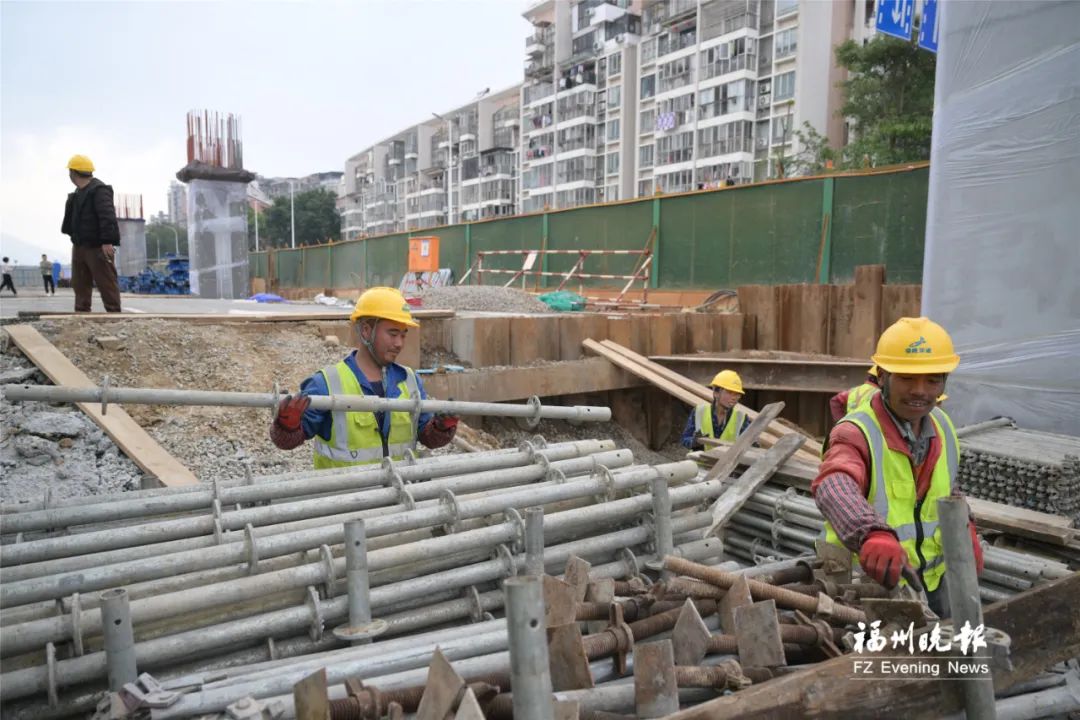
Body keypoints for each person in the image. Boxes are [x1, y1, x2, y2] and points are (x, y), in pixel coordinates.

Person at [812, 317, 983, 617]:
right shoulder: (856, 432)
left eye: (932, 380)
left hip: (933, 581)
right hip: (867, 587)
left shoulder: (942, 425)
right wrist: (871, 533)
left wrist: (964, 526)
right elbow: (834, 485)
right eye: (906, 378)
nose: (920, 390)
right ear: (881, 376)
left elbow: (945, 487)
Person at [269, 286, 458, 466]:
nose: (399, 343)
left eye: (403, 335)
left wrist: (441, 428)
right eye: (392, 334)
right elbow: (287, 442)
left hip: (398, 494)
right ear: (366, 330)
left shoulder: (410, 381)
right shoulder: (327, 383)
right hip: (349, 496)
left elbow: (426, 436)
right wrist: (287, 427)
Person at [60, 154, 121, 312]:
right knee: (79, 283)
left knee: (106, 282)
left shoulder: (99, 190)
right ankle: (81, 313)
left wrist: (107, 241)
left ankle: (114, 313)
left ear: (73, 173)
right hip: (80, 245)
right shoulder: (78, 193)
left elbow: (107, 216)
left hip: (97, 247)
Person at [681, 370, 751, 450]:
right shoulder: (699, 412)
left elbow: (749, 445)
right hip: (700, 461)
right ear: (716, 393)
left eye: (737, 394)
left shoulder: (741, 418)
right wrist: (694, 442)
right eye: (729, 392)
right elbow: (684, 439)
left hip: (727, 462)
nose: (734, 398)